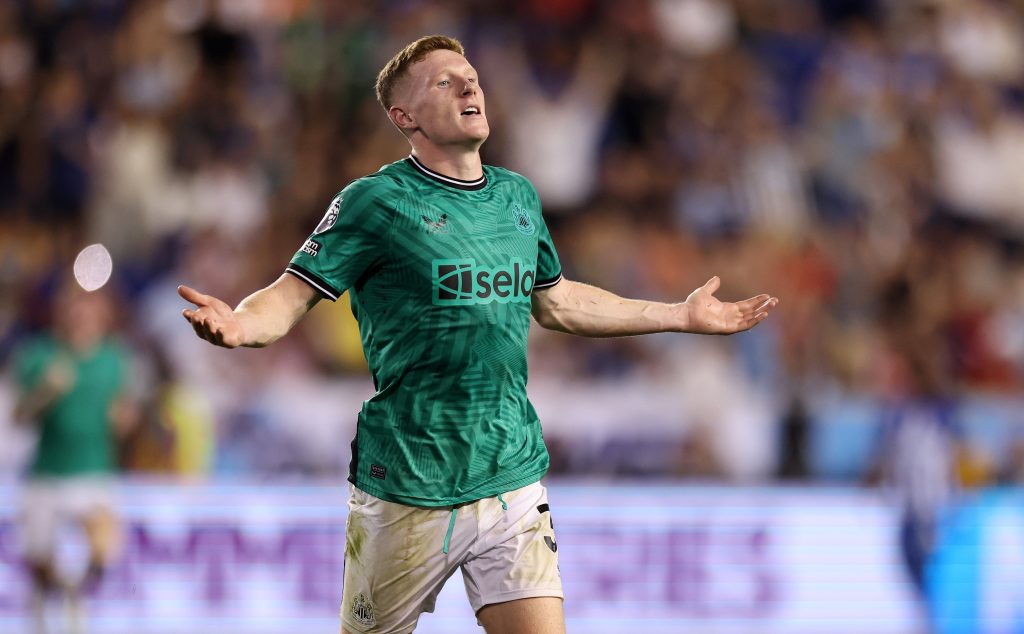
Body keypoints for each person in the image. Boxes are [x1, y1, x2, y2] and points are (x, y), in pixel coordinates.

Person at [179, 35, 779, 634]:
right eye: (444, 81)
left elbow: (558, 301)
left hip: (509, 472)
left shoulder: (517, 197)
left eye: (470, 76)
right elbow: (290, 296)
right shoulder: (376, 203)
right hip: (409, 480)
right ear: (404, 117)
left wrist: (680, 314)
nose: (469, 86)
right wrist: (238, 324)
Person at [13, 284, 134, 634]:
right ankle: (46, 618)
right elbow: (21, 416)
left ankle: (73, 598)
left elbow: (123, 417)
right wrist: (47, 392)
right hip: (48, 472)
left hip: (93, 471)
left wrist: (124, 420)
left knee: (102, 548)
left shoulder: (114, 359)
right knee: (39, 564)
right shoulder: (40, 355)